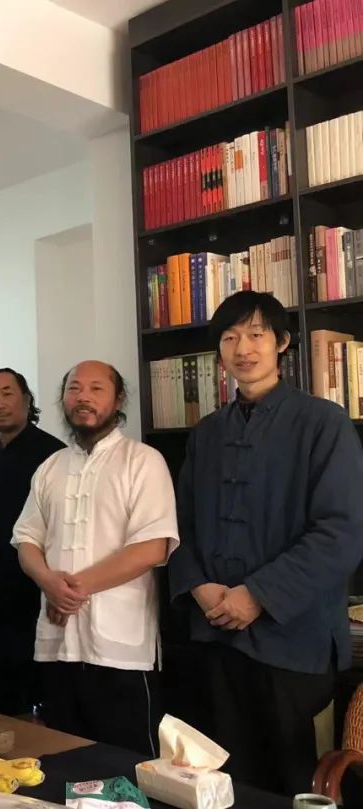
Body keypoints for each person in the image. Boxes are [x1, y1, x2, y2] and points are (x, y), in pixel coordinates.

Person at [169, 291, 363, 796]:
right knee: (219, 779)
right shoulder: (207, 433)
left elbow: (341, 531)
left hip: (292, 639)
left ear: (282, 342)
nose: (243, 348)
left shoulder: (324, 423)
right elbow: (178, 526)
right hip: (215, 635)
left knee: (289, 779)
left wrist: (258, 595)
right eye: (230, 337)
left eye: (256, 335)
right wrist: (199, 587)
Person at [12, 361, 177, 756]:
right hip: (57, 646)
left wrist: (70, 590)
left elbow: (152, 547)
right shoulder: (50, 467)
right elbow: (26, 540)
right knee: (63, 759)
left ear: (118, 400)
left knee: (128, 765)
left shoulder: (143, 461)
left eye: (96, 388)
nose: (83, 397)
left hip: (121, 651)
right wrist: (47, 582)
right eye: (74, 388)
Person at [0, 367, 64, 717]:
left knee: (42, 687)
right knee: (2, 687)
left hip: (35, 588)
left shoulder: (54, 455)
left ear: (26, 399)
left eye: (7, 394)